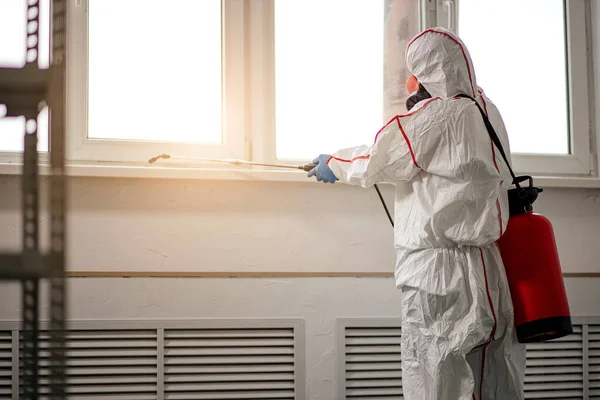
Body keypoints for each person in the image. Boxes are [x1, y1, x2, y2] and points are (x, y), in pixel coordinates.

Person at [308, 27, 526, 400]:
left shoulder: (436, 116)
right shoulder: (487, 111)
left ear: (424, 71)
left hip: (438, 274)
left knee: (435, 371)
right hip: (489, 265)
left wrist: (335, 161)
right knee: (494, 373)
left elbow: (379, 158)